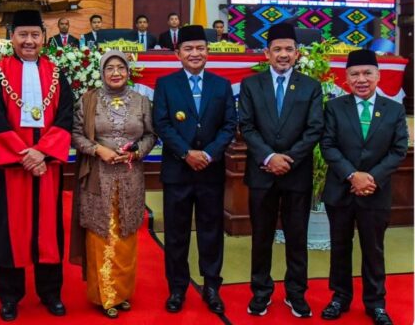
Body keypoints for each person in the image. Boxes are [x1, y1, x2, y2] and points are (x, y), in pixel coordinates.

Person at [0, 9, 74, 321]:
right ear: (12, 37)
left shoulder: (56, 73)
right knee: (10, 230)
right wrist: (26, 156)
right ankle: (10, 296)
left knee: (49, 230)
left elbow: (65, 115)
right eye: (23, 34)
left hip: (47, 167)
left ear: (43, 37)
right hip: (12, 169)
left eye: (35, 34)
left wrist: (42, 153)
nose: (29, 41)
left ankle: (51, 293)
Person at [238, 23, 323, 318]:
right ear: (267, 53)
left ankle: (296, 294)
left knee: (297, 237)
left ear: (297, 53)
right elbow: (246, 126)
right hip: (262, 173)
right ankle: (261, 292)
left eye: (289, 49)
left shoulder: (311, 86)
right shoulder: (251, 85)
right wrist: (270, 156)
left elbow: (314, 129)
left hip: (296, 174)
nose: (283, 54)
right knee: (261, 237)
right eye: (277, 49)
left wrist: (287, 159)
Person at [320, 49, 408, 325]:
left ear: (378, 76)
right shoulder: (334, 108)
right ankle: (339, 297)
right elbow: (328, 145)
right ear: (346, 78)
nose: (361, 79)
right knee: (340, 247)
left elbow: (398, 150)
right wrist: (352, 175)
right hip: (341, 190)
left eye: (367, 73)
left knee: (374, 249)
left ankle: (376, 303)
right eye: (355, 74)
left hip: (375, 192)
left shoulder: (394, 109)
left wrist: (370, 178)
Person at [153, 25, 237, 315]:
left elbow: (229, 125)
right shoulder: (166, 84)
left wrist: (209, 154)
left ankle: (212, 286)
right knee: (176, 234)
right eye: (188, 49)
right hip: (178, 171)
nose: (195, 53)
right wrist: (186, 153)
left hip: (210, 172)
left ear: (208, 52)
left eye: (200, 48)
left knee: (210, 231)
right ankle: (177, 288)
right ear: (178, 54)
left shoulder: (221, 85)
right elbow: (161, 123)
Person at [70, 50, 156, 319]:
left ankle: (122, 293)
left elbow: (151, 135)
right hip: (98, 176)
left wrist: (136, 153)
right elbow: (75, 135)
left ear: (128, 71)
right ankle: (105, 295)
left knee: (126, 234)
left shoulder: (141, 101)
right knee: (100, 233)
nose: (116, 72)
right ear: (101, 72)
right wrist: (98, 150)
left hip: (131, 177)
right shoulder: (87, 100)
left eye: (121, 67)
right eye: (110, 68)